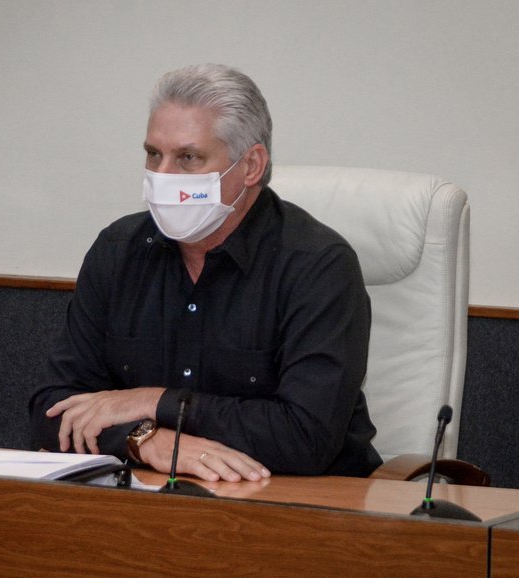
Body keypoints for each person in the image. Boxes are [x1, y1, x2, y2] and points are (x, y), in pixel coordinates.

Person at [29, 63, 382, 483]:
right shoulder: (118, 251)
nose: (161, 176)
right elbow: (52, 409)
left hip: (297, 508)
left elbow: (306, 436)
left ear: (250, 166)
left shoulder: (318, 265)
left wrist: (153, 402)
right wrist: (148, 439)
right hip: (149, 501)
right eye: (153, 154)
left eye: (188, 158)